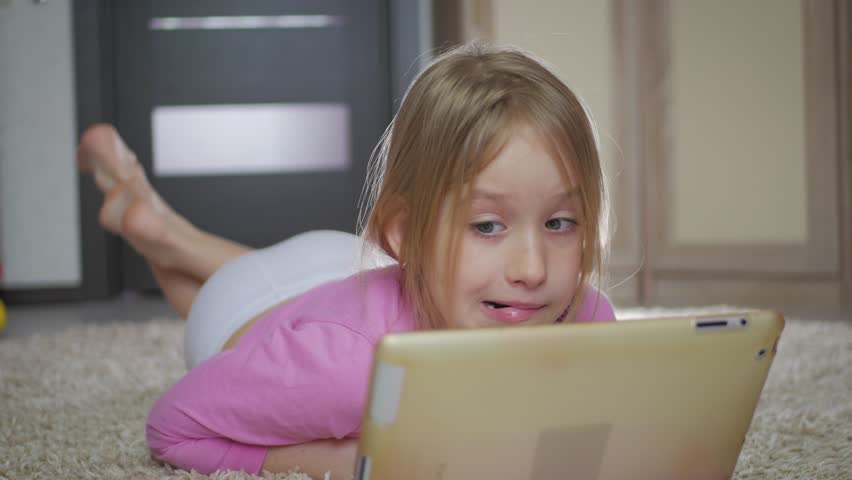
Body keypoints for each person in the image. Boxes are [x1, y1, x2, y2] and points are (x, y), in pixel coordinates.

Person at [77, 42, 616, 478]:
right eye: (488, 225)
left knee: (302, 291)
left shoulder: (585, 318)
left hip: (349, 264)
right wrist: (327, 460)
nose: (534, 269)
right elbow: (172, 427)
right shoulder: (345, 370)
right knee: (206, 305)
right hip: (250, 304)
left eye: (559, 223)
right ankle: (157, 234)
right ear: (404, 234)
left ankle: (160, 223)